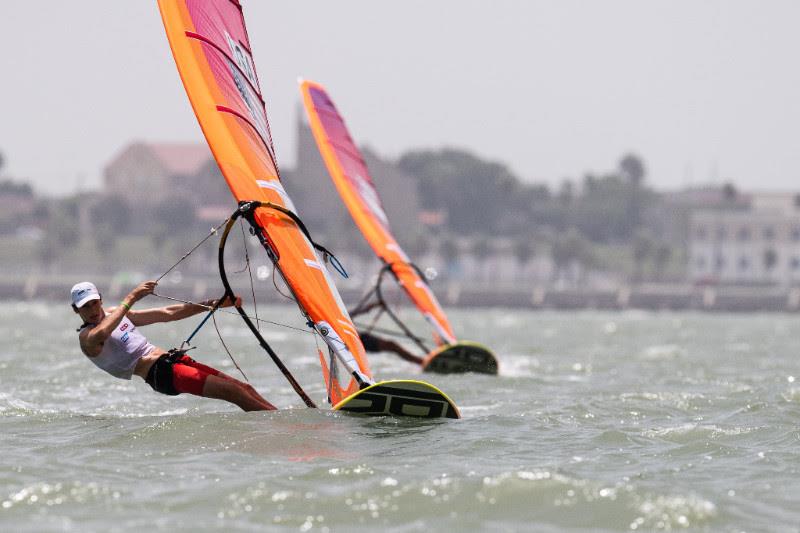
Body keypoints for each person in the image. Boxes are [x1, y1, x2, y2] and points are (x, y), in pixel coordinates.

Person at [72, 280, 275, 412]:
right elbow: (103, 333)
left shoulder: (115, 313)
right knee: (233, 392)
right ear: (76, 310)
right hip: (160, 374)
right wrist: (131, 297)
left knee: (244, 388)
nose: (92, 310)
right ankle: (281, 430)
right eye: (85, 307)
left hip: (172, 360)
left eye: (94, 303)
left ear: (100, 301)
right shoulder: (87, 338)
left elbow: (169, 312)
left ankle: (280, 419)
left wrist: (213, 303)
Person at [358, 330, 423, 365]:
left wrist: (368, 308)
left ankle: (418, 361)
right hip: (362, 341)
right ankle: (419, 361)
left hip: (363, 338)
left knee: (392, 345)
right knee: (392, 345)